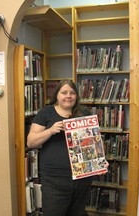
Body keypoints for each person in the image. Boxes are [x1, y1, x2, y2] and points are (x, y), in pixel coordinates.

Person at [27, 80, 93, 216]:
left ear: (76, 96)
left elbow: (93, 143)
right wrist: (50, 130)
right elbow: (31, 142)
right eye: (64, 92)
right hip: (54, 180)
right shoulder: (46, 112)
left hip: (81, 178)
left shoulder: (84, 113)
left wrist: (99, 160)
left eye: (72, 93)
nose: (68, 96)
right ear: (57, 95)